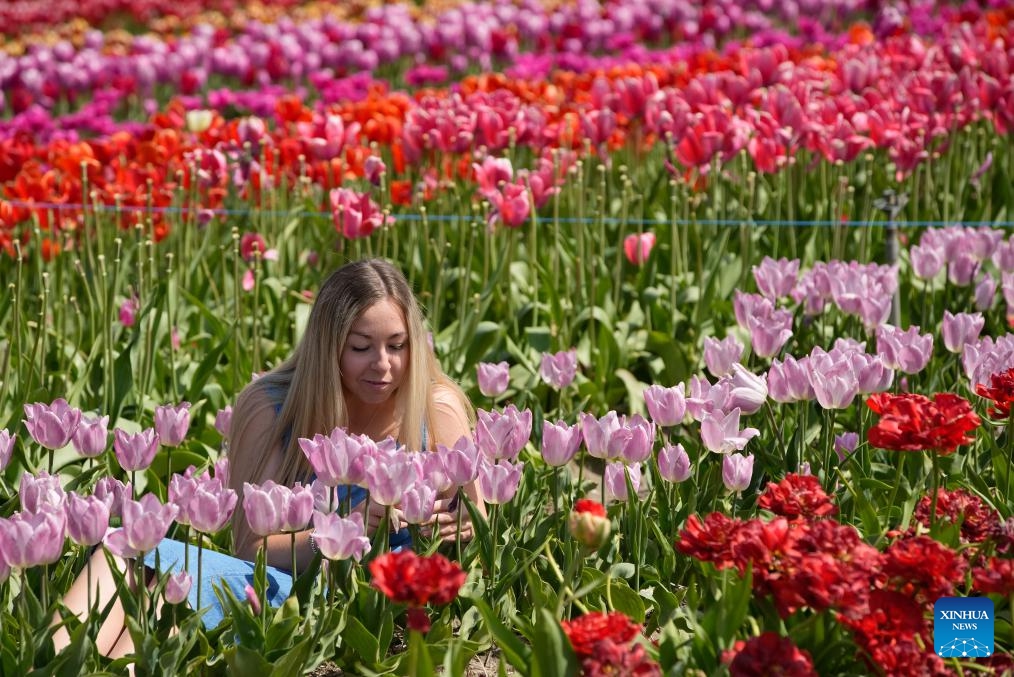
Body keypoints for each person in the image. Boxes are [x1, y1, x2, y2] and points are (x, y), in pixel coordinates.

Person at [54, 258, 484, 655]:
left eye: (397, 345)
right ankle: (47, 663)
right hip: (275, 585)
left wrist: (461, 529)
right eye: (361, 347)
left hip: (353, 612)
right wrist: (341, 533)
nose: (383, 365)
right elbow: (250, 547)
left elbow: (473, 533)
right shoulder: (275, 407)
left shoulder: (434, 410)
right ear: (329, 345)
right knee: (121, 554)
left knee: (159, 598)